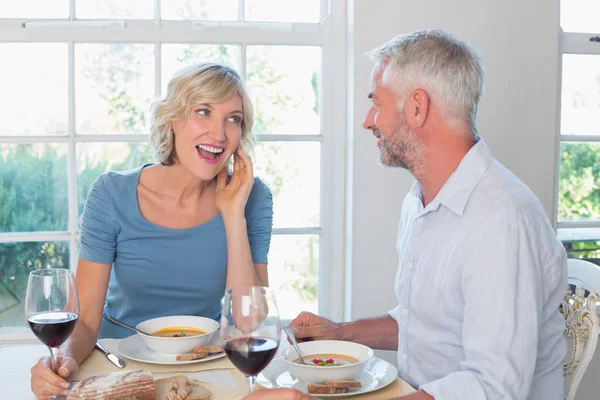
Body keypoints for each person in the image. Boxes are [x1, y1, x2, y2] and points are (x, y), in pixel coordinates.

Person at [244, 29, 567, 400]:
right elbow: (424, 324)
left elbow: (492, 387)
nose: (368, 120)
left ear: (417, 107)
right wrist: (339, 332)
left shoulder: (500, 221)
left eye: (376, 103)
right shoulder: (420, 200)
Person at [30, 62, 274, 400]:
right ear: (171, 120)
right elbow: (85, 321)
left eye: (233, 119)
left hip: (209, 367)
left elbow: (247, 325)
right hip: (117, 366)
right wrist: (60, 360)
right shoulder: (111, 194)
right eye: (203, 111)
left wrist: (233, 215)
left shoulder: (253, 197)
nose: (219, 134)